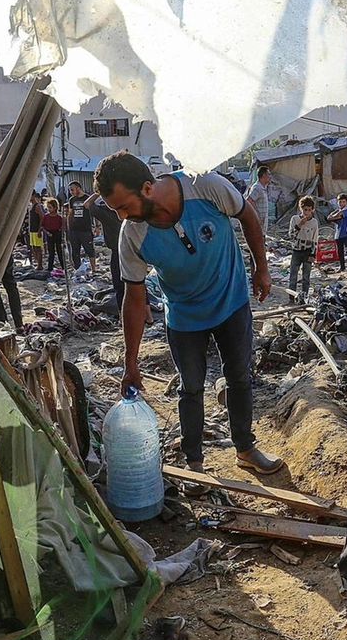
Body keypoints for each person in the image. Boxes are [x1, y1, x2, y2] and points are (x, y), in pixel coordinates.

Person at [95, 150, 282, 488]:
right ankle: (194, 463)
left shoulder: (205, 186)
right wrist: (131, 362)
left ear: (148, 188)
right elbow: (134, 300)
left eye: (124, 206)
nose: (122, 216)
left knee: (239, 376)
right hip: (183, 315)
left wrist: (262, 267)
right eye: (116, 210)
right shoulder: (133, 235)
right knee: (191, 387)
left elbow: (249, 216)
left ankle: (245, 448)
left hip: (231, 300)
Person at [86, 191, 126, 312]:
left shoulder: (105, 213)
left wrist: (99, 191)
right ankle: (147, 315)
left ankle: (122, 314)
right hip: (132, 250)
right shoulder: (127, 208)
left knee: (119, 286)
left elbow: (87, 204)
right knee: (137, 283)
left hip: (117, 251)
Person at [287, 196, 318, 303]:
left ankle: (303, 299)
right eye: (305, 210)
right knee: (293, 276)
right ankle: (291, 297)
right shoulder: (295, 219)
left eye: (309, 210)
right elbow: (291, 235)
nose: (307, 212)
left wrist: (313, 255)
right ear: (301, 209)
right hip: (296, 251)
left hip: (307, 251)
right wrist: (299, 225)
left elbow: (315, 240)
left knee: (306, 277)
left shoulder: (314, 222)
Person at [66, 180, 96, 274]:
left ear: (78, 188)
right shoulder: (72, 200)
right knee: (75, 251)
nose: (71, 192)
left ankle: (94, 269)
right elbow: (70, 214)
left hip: (85, 229)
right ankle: (78, 270)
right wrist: (68, 227)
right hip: (74, 230)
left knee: (90, 250)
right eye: (70, 190)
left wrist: (97, 226)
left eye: (72, 190)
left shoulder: (87, 198)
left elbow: (94, 213)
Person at [328, 193, 347, 272]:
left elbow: (336, 216)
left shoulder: (346, 210)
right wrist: (335, 217)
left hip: (345, 233)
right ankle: (342, 267)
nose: (341, 204)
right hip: (338, 234)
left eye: (343, 202)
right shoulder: (338, 210)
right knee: (340, 252)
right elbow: (329, 218)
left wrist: (335, 217)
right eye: (340, 202)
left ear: (346, 202)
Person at [42, 197, 68, 273]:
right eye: (48, 207)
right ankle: (50, 268)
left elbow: (63, 226)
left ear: (55, 207)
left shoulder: (59, 217)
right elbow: (43, 226)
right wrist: (47, 232)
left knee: (60, 251)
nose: (49, 209)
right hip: (49, 234)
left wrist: (61, 230)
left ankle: (63, 267)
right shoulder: (46, 217)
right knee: (51, 252)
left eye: (50, 207)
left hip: (57, 233)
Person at [247, 165, 274, 235]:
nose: (270, 176)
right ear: (264, 175)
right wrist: (256, 216)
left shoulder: (263, 188)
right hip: (257, 223)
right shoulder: (257, 188)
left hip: (262, 225)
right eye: (269, 174)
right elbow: (249, 201)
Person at [25, 193, 45, 270]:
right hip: (32, 230)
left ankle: (40, 265)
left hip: (37, 230)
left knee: (38, 247)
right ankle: (37, 264)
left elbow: (42, 216)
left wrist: (40, 229)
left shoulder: (37, 206)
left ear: (33, 196)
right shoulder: (31, 206)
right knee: (33, 247)